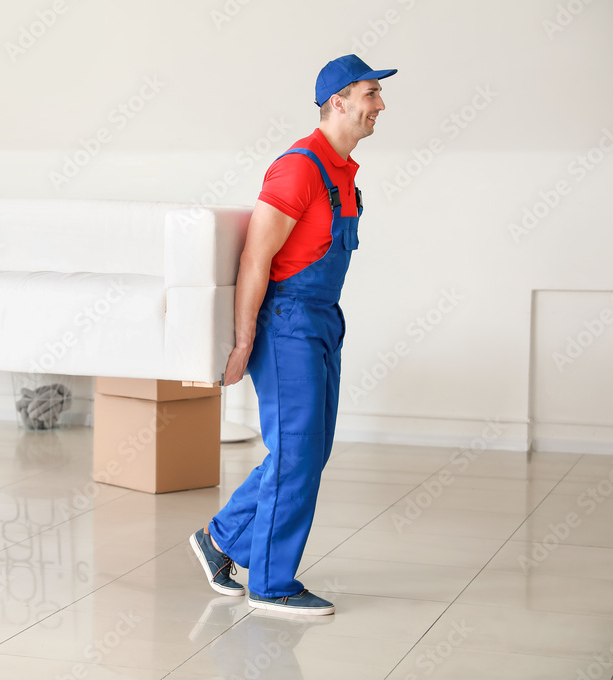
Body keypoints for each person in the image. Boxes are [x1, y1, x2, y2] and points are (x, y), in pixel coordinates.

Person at [190, 55, 397, 615]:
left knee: (310, 450)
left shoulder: (345, 172)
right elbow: (256, 259)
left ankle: (220, 540)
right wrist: (241, 342)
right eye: (371, 93)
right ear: (337, 102)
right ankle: (272, 582)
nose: (381, 105)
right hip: (287, 323)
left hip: (323, 319)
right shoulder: (299, 168)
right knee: (298, 451)